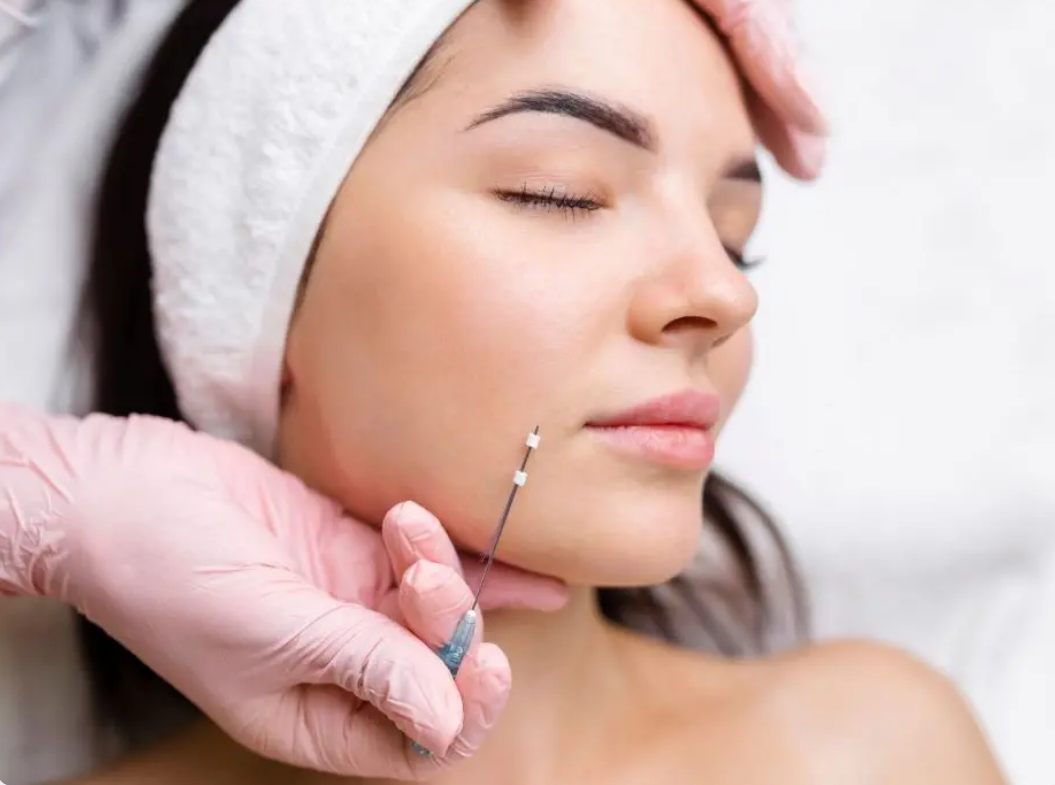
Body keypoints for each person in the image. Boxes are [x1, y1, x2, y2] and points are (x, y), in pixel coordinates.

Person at [53, 0, 1006, 782]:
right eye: (561, 193)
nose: (724, 294)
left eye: (733, 236)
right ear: (255, 291)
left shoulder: (872, 750)